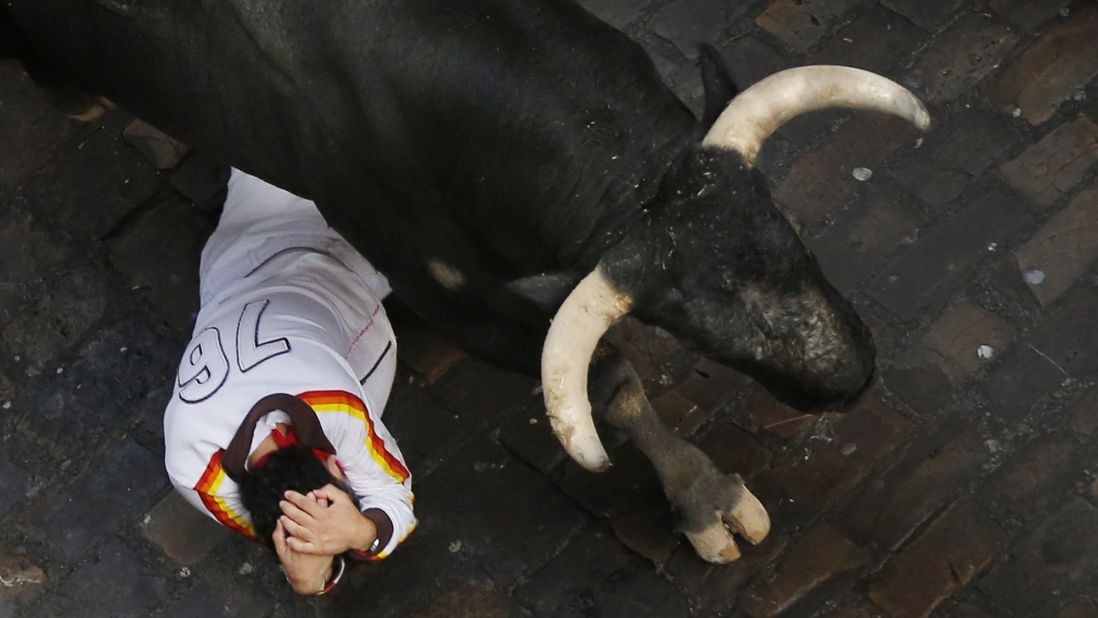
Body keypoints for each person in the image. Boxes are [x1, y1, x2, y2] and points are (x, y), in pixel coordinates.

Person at [163, 169, 415, 595]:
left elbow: (393, 494)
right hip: (241, 255)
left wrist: (361, 535)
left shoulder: (334, 407)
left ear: (333, 466)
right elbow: (289, 537)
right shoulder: (188, 470)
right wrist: (307, 575)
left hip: (352, 258)